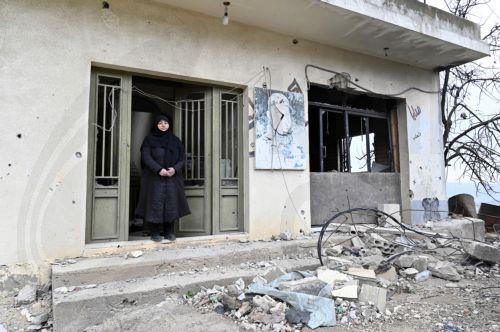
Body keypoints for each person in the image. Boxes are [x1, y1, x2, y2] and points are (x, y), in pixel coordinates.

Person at [135, 114, 190, 242]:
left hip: (172, 178)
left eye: (165, 122)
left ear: (169, 124)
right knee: (155, 204)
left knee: (171, 203)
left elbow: (182, 158)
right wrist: (158, 169)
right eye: (160, 123)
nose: (163, 125)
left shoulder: (175, 140)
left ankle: (169, 231)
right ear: (156, 125)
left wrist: (174, 169)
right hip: (154, 179)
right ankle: (154, 232)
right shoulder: (149, 140)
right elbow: (146, 157)